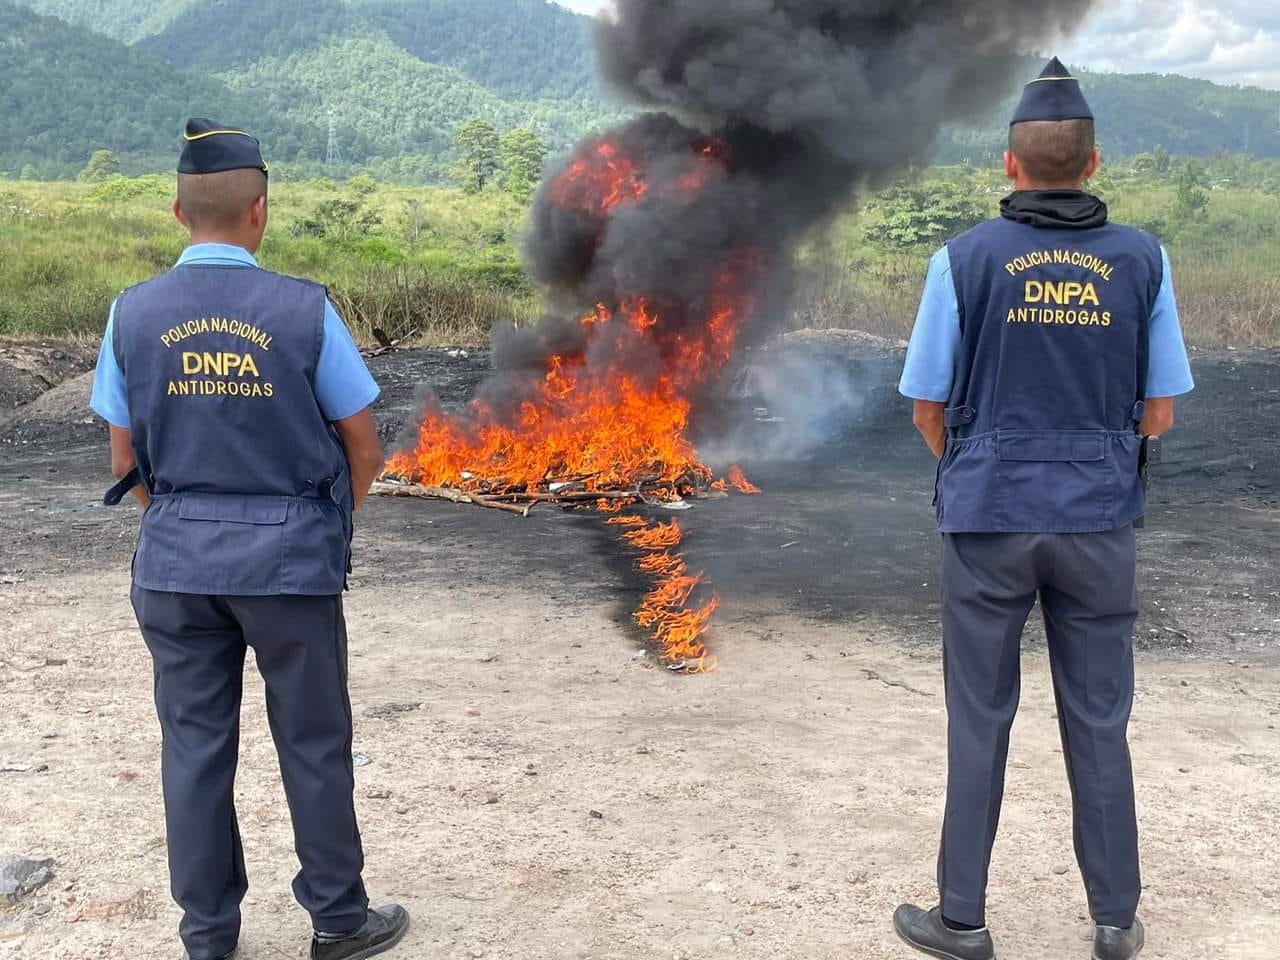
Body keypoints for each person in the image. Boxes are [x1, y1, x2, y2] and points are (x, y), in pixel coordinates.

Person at [892, 60, 1194, 960]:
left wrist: (982, 470)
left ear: (1011, 166)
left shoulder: (962, 260)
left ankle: (963, 920)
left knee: (978, 713)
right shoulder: (1144, 259)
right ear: (1093, 164)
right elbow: (1161, 412)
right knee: (1098, 716)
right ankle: (1112, 921)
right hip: (1098, 520)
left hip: (986, 519)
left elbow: (925, 408)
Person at [89, 119, 410, 960]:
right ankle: (339, 921)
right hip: (290, 564)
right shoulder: (303, 310)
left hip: (175, 567)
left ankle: (207, 938)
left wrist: (187, 518)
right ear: (260, 211)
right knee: (313, 741)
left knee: (194, 749)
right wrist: (327, 523)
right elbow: (364, 445)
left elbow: (126, 457)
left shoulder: (133, 312)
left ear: (176, 210)